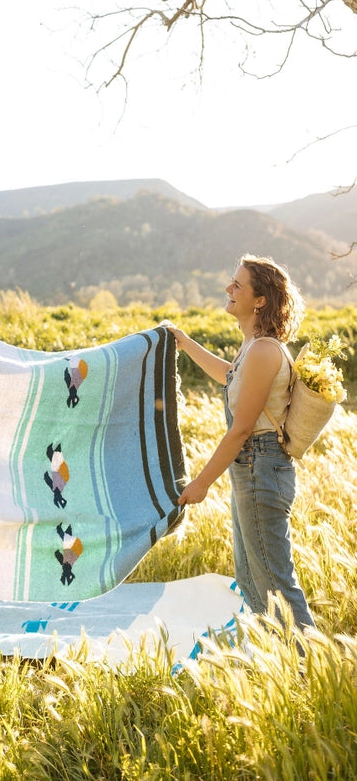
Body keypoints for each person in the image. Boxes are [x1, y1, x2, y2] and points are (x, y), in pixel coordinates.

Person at [166, 255, 313, 630]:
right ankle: (277, 666)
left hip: (259, 466)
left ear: (259, 300)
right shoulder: (252, 347)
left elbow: (241, 429)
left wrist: (201, 483)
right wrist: (184, 342)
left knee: (275, 582)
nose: (228, 289)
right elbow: (229, 376)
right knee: (251, 581)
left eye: (237, 285)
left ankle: (307, 668)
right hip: (250, 469)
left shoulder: (265, 350)